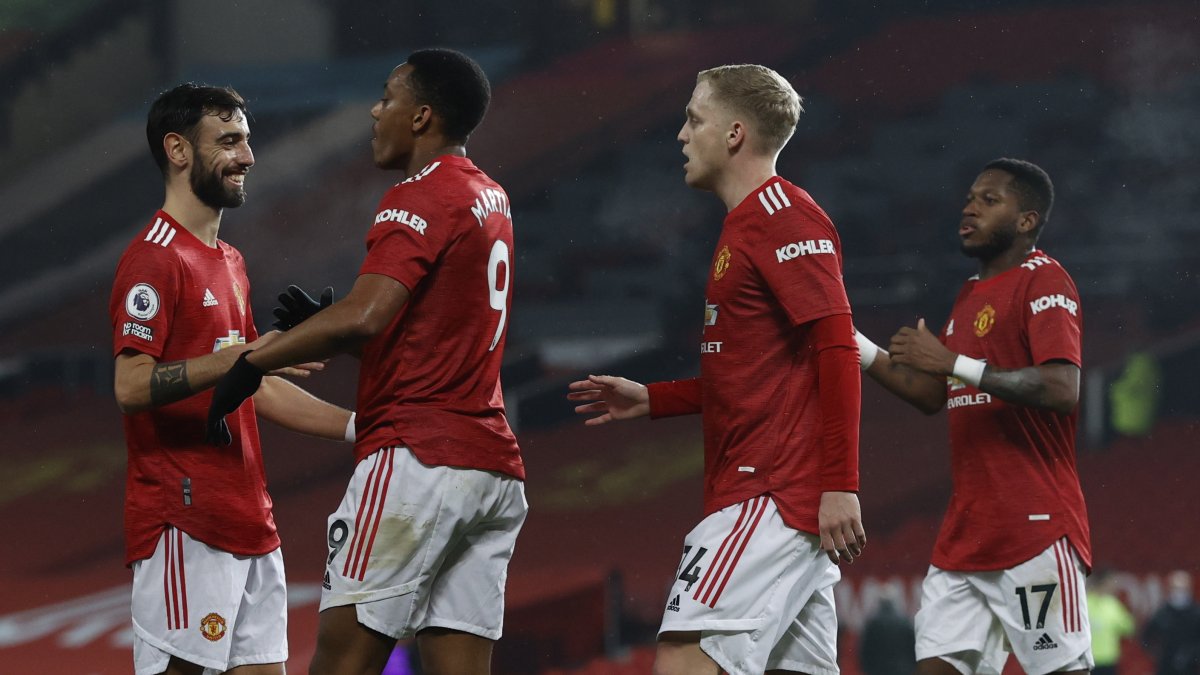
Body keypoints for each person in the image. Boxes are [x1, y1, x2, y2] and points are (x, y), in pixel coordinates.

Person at [205, 49, 526, 675]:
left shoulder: (419, 194)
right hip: (491, 469)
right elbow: (426, 338)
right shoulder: (489, 195)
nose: (375, 111)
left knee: (341, 663)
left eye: (387, 98)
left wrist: (255, 360)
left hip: (417, 460)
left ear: (421, 116)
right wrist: (322, 327)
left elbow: (366, 315)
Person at [568, 64, 866, 675]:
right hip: (779, 497)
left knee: (685, 653)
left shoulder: (784, 214)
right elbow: (753, 373)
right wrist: (655, 399)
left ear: (734, 134)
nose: (681, 134)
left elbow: (836, 350)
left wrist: (841, 483)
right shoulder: (745, 226)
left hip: (770, 492)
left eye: (694, 119)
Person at [111, 83, 355, 675]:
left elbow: (257, 383)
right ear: (178, 150)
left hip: (251, 522)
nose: (247, 156)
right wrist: (243, 357)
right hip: (185, 524)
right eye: (228, 141)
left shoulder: (230, 261)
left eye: (247, 140)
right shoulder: (154, 259)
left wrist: (364, 428)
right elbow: (130, 387)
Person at [855, 158, 1093, 675]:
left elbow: (1061, 388)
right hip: (966, 537)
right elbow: (931, 394)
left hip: (1033, 528)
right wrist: (853, 344)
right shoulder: (969, 295)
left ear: (1026, 220)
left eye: (989, 200)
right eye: (969, 197)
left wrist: (953, 362)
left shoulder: (1045, 279)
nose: (969, 208)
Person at [1141, 570, 1200, 675]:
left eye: (1183, 588)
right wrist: (1157, 654)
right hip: (1166, 666)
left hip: (1190, 667)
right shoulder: (1162, 613)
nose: (1179, 592)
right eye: (1176, 588)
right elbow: (1145, 636)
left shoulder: (1196, 613)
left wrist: (1193, 655)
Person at [1087, 567, 1135, 675]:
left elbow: (1129, 628)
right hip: (1089, 660)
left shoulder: (1113, 604)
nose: (1114, 585)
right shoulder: (1086, 603)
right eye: (1111, 581)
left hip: (1108, 660)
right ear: (1103, 582)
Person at [859, 588, 916, 675]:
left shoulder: (873, 623)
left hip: (878, 670)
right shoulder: (904, 622)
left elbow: (866, 650)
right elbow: (912, 648)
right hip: (902, 669)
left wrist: (867, 668)